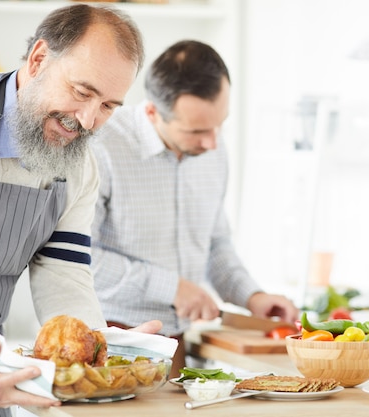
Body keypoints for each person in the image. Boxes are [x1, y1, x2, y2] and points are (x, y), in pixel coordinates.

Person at [0, 4, 161, 417]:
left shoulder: (78, 162)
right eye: (81, 92)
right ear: (38, 60)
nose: (88, 121)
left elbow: (63, 271)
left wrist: (96, 348)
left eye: (108, 106)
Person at [90, 40, 300, 378]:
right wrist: (171, 287)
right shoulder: (102, 147)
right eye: (197, 131)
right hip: (112, 342)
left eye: (220, 125)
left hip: (177, 343)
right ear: (152, 112)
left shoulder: (212, 148)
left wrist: (252, 296)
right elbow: (81, 258)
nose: (213, 143)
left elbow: (216, 243)